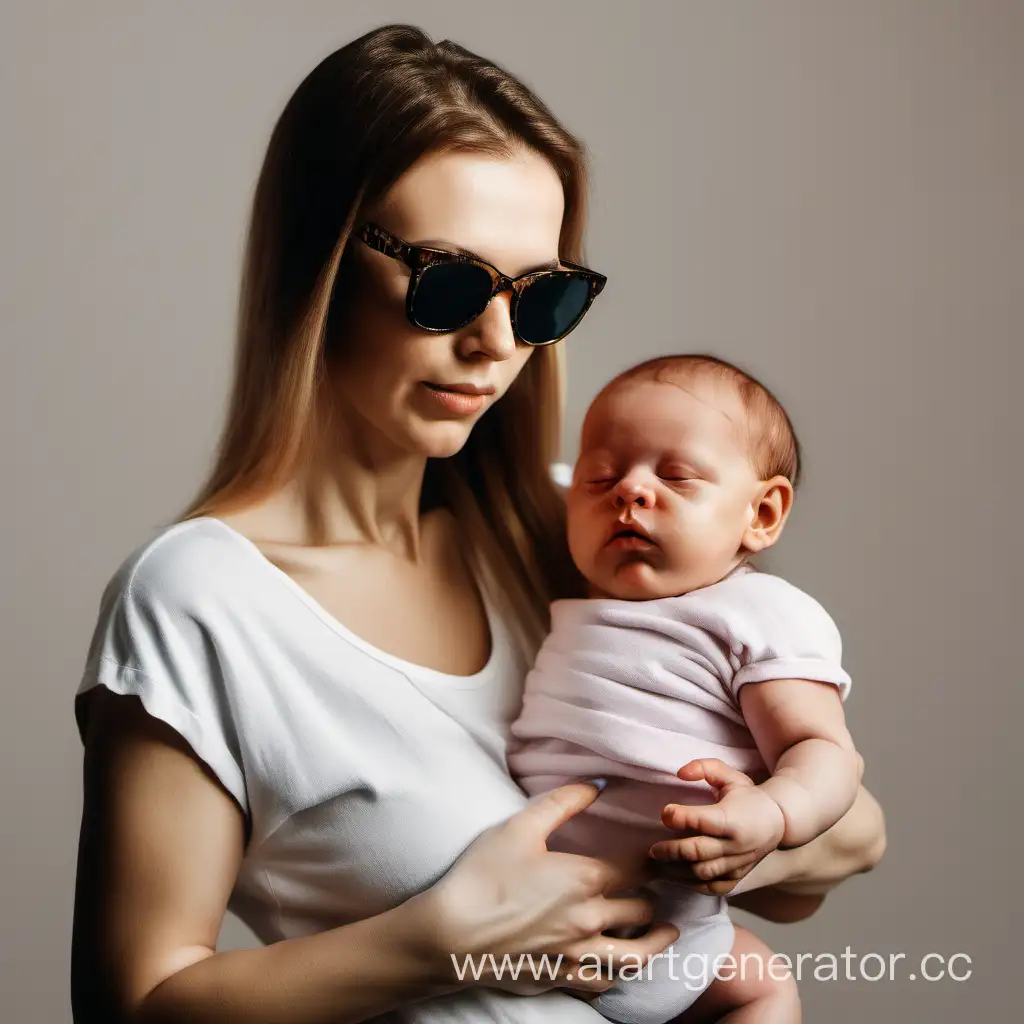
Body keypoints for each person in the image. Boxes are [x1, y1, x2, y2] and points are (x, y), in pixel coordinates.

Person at [70, 24, 886, 1024]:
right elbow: (132, 1001)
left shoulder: (573, 530)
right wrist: (438, 940)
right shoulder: (201, 600)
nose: (494, 343)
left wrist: (756, 832)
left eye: (538, 298)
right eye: (448, 283)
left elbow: (845, 841)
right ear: (316, 264)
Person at [508, 354, 863, 1022]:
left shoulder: (758, 615)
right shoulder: (577, 588)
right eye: (601, 476)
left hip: (673, 928)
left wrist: (775, 814)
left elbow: (823, 748)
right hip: (530, 932)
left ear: (762, 513)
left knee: (765, 987)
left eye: (676, 476)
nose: (630, 492)